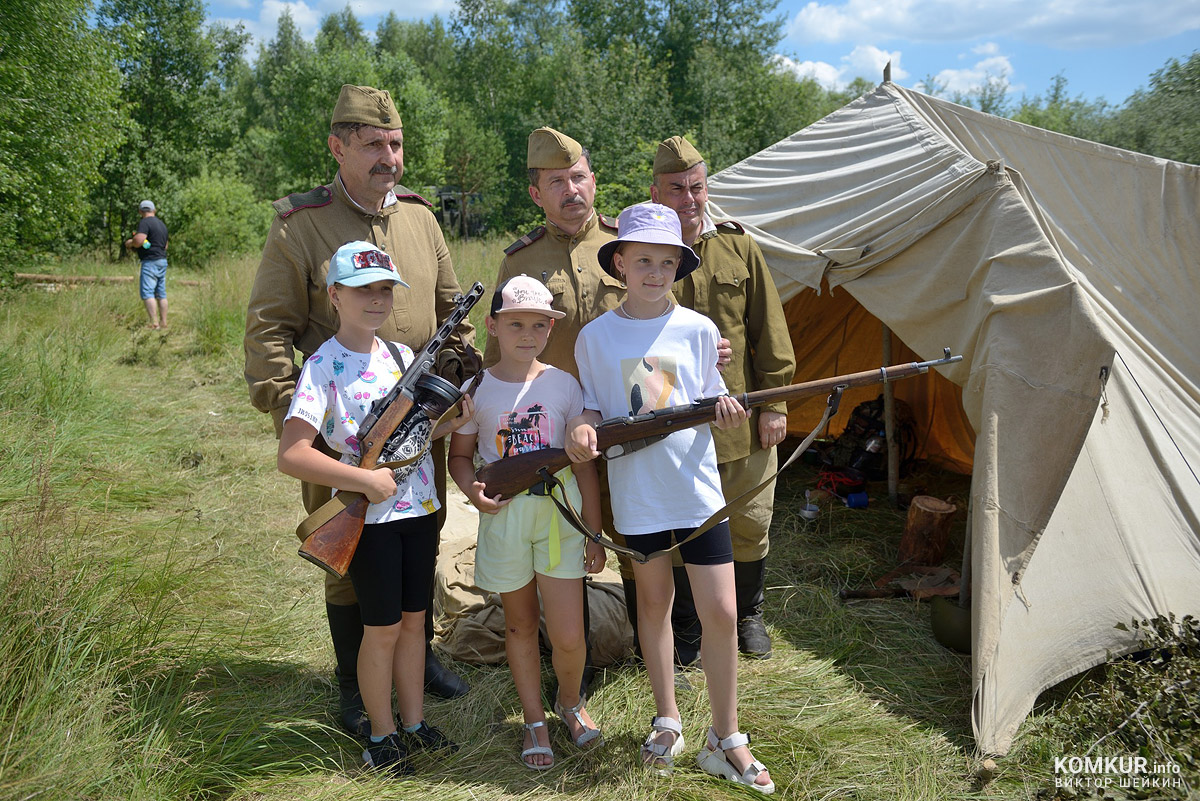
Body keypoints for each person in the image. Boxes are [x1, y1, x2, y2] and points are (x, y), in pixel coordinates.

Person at [244, 84, 475, 740]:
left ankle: (418, 657)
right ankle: (354, 684)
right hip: (343, 435)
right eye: (373, 144)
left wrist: (455, 388)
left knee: (413, 544)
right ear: (337, 147)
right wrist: (304, 421)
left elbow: (453, 316)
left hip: (420, 423)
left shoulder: (422, 219)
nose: (389, 157)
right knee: (349, 559)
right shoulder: (302, 224)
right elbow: (267, 330)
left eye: (396, 143)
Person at [567, 202, 775, 794]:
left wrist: (728, 407)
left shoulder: (701, 330)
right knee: (653, 606)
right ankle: (668, 719)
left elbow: (710, 398)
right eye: (643, 261)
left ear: (677, 267)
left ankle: (726, 735)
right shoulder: (595, 337)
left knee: (724, 614)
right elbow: (590, 403)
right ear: (620, 264)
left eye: (666, 261)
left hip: (696, 489)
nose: (654, 272)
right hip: (638, 496)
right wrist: (581, 427)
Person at [278, 241, 465, 775]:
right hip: (371, 520)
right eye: (363, 290)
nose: (377, 299)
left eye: (385, 289)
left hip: (419, 511)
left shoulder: (403, 358)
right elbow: (292, 454)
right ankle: (380, 736)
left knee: (414, 625)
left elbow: (413, 440)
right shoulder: (323, 365)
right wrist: (362, 479)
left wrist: (450, 422)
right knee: (380, 629)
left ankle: (413, 723)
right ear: (334, 296)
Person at [448, 275, 605, 769]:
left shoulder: (563, 384)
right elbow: (460, 456)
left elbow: (583, 464)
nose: (528, 334)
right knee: (518, 627)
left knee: (569, 634)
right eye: (515, 323)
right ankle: (534, 719)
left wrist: (594, 532)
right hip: (507, 519)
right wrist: (472, 492)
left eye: (540, 324)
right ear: (492, 326)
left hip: (560, 519)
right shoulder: (477, 388)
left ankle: (570, 702)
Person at [650, 136, 796, 660]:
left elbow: (769, 331)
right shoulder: (642, 251)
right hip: (669, 418)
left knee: (751, 518)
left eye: (697, 187)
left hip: (740, 416)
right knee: (679, 522)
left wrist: (775, 405)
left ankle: (748, 613)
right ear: (655, 191)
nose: (689, 199)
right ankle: (688, 626)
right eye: (676, 189)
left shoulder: (738, 246)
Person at [125, 199, 169, 329]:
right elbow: (165, 245)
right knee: (161, 293)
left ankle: (154, 323)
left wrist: (130, 243)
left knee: (148, 293)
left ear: (140, 211)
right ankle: (164, 322)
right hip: (162, 260)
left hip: (150, 261)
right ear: (154, 210)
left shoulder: (145, 222)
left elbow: (139, 240)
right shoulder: (162, 224)